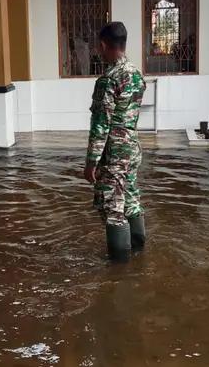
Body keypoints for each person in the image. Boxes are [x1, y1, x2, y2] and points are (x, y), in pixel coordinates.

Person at [83, 22, 147, 261]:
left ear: (103, 45)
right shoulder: (136, 74)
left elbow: (101, 126)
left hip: (114, 154)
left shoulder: (108, 80)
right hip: (132, 149)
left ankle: (120, 269)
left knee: (113, 209)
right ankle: (140, 254)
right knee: (131, 200)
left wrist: (91, 163)